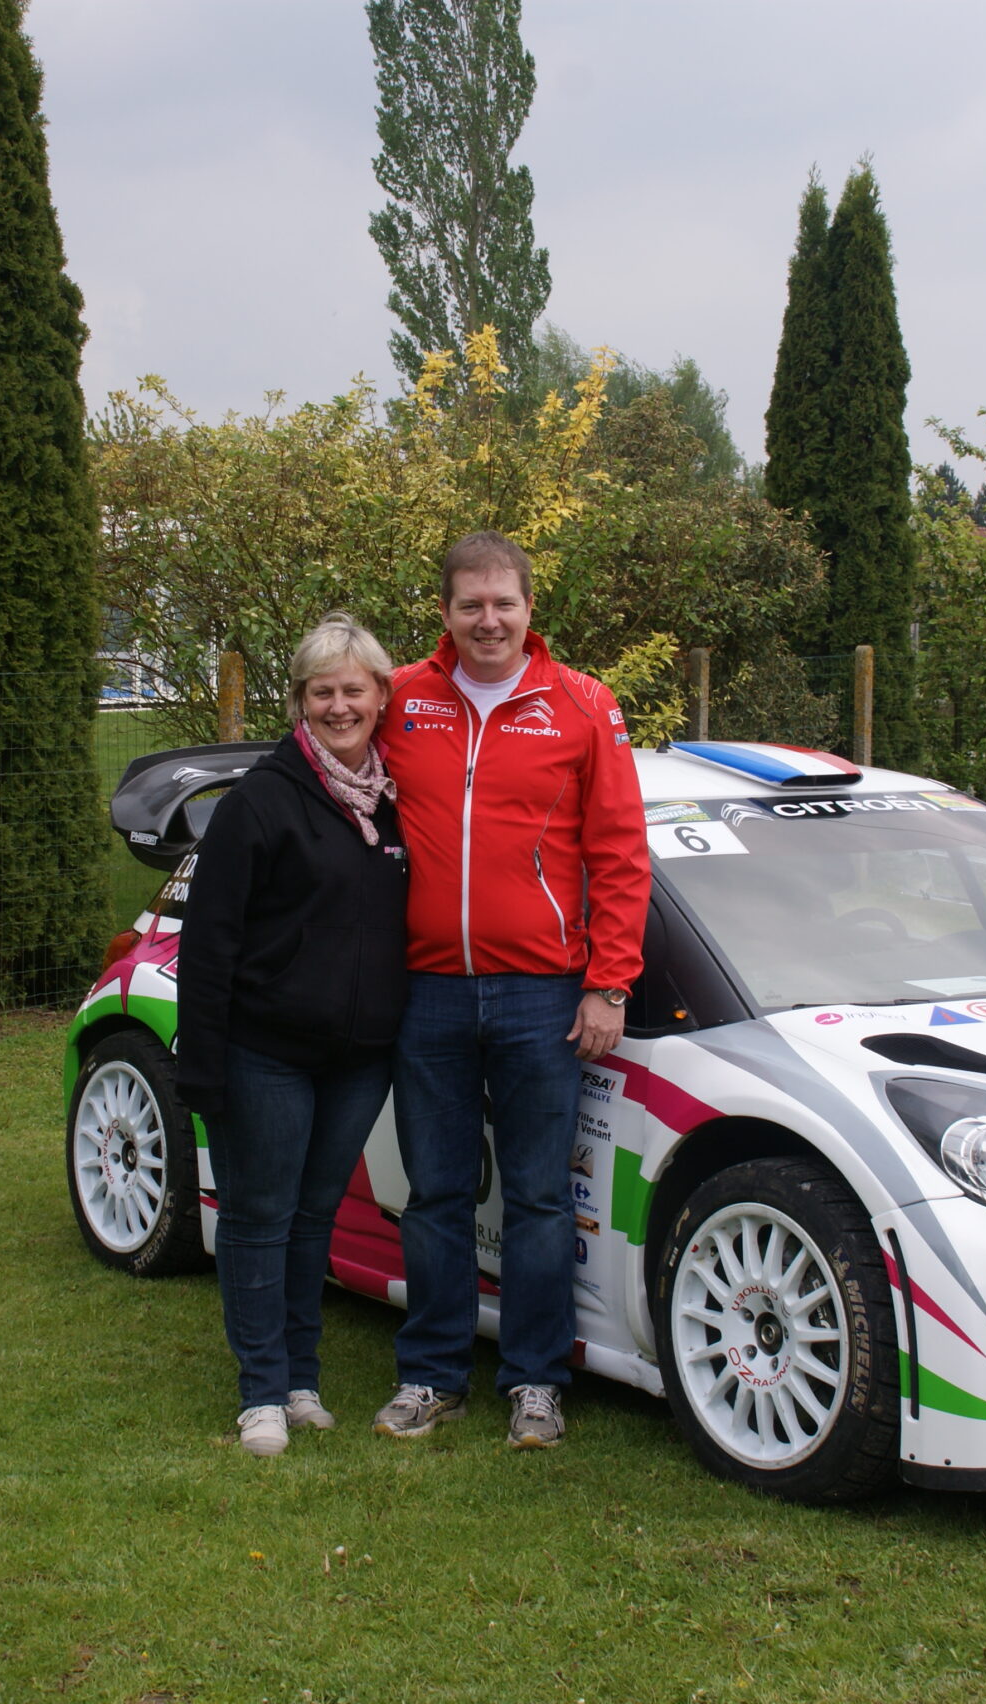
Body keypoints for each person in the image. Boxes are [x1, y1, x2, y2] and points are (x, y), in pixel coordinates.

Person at [370, 531, 650, 1450]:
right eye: (469, 604)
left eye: (504, 603)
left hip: (542, 991)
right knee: (438, 1191)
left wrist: (609, 983)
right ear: (444, 611)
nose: (488, 620)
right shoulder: (400, 700)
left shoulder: (582, 705)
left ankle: (534, 1380)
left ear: (531, 608)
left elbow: (618, 855)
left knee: (535, 1198)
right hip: (427, 991)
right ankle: (431, 1375)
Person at [175, 614, 412, 1458]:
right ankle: (260, 1393)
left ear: (381, 696)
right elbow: (207, 946)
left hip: (359, 1060)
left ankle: (302, 1379)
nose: (340, 705)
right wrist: (200, 1069)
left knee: (314, 1215)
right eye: (323, 691)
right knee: (258, 1214)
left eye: (354, 689)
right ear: (300, 702)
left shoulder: (396, 800)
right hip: (264, 1053)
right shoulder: (260, 803)